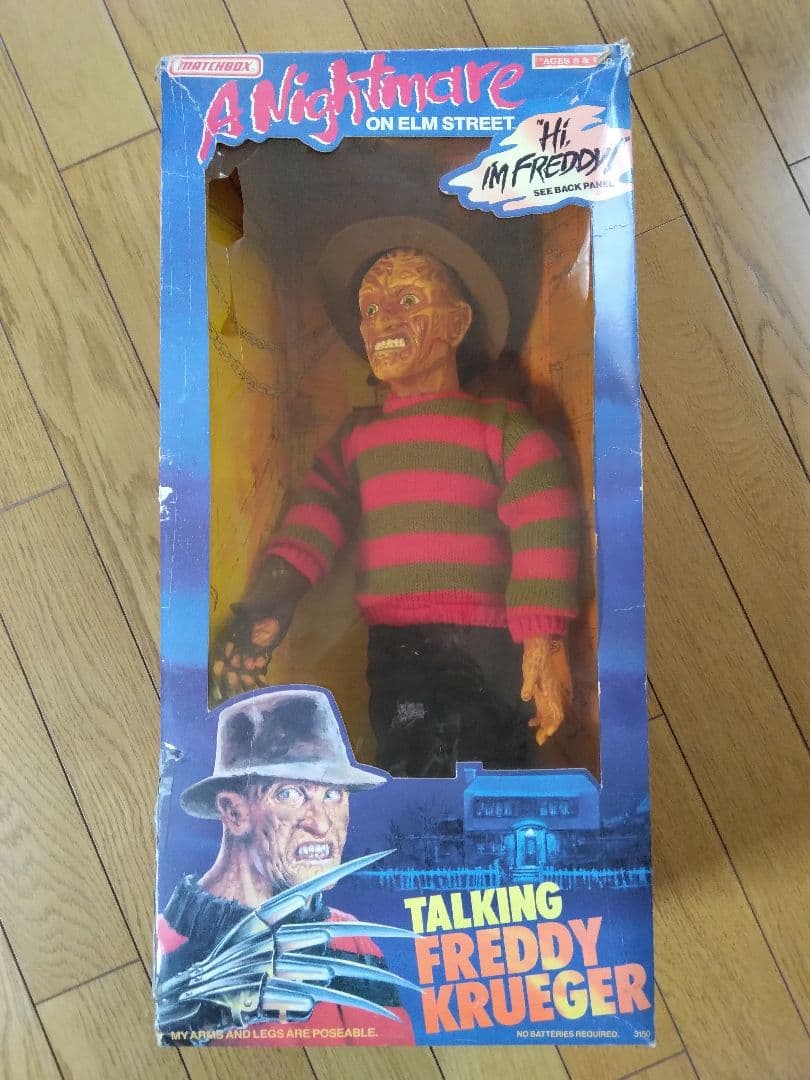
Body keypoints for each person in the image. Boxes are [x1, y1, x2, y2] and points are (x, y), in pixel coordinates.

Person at [211, 217, 580, 777]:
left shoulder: (502, 428)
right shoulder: (358, 438)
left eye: (408, 300)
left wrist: (542, 635)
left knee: (494, 758)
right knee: (407, 761)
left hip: (489, 643)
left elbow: (544, 515)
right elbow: (312, 520)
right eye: (370, 309)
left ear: (457, 323)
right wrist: (270, 603)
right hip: (396, 650)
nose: (383, 320)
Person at [156, 686, 416, 1044]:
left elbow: (392, 1045)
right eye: (290, 794)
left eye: (333, 794)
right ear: (234, 812)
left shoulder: (352, 939)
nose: (321, 824)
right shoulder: (169, 946)